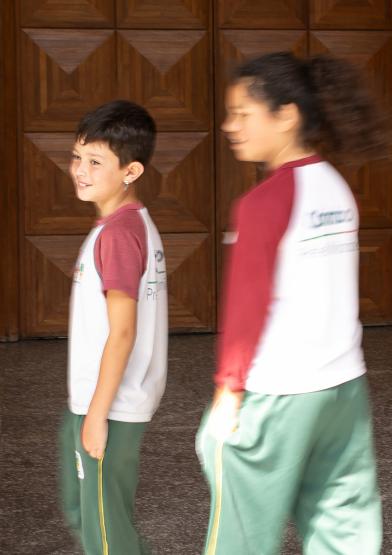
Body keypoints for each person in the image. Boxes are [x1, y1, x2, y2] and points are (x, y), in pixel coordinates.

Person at [196, 52, 386, 554]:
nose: (228, 126)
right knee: (342, 529)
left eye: (242, 113)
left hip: (278, 391)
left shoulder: (262, 202)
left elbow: (247, 308)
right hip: (343, 388)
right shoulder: (336, 187)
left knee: (239, 533)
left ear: (286, 115)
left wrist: (228, 392)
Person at [59, 100, 167, 554]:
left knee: (105, 528)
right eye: (77, 157)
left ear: (131, 170)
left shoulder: (120, 235)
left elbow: (123, 332)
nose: (80, 170)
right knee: (85, 509)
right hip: (99, 400)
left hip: (109, 405)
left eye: (96, 161)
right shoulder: (123, 224)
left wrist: (97, 416)